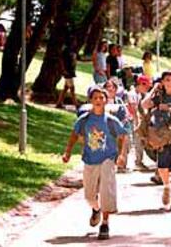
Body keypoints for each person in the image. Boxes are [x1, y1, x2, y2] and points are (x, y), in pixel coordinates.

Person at [62, 85, 127, 240]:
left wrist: (122, 155)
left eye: (101, 98)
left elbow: (123, 136)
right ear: (91, 100)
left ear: (106, 100)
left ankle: (105, 223)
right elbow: (74, 135)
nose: (98, 100)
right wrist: (68, 152)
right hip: (90, 160)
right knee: (89, 196)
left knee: (106, 191)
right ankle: (96, 209)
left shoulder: (111, 120)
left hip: (107, 159)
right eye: (95, 98)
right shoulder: (84, 120)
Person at [141, 71, 171, 211]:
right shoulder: (159, 96)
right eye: (167, 80)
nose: (170, 82)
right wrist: (153, 90)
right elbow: (145, 105)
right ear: (162, 82)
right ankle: (166, 186)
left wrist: (170, 109)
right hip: (162, 139)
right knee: (162, 167)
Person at [104, 79, 132, 173]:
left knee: (125, 136)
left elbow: (125, 115)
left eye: (111, 87)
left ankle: (121, 163)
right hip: (105, 127)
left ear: (115, 89)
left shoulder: (119, 100)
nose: (109, 89)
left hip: (117, 127)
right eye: (107, 87)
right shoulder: (102, 100)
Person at [56, 33, 79, 109]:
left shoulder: (73, 50)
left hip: (71, 70)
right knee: (72, 88)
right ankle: (76, 104)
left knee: (66, 88)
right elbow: (61, 60)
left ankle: (59, 102)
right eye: (74, 41)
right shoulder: (66, 50)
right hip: (67, 71)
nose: (75, 42)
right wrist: (63, 70)